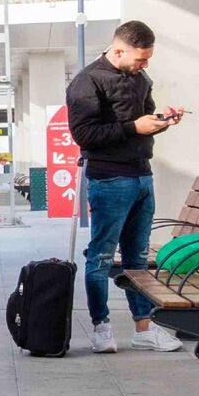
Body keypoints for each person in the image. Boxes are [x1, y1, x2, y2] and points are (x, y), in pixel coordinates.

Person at [67, 21, 188, 353]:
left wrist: (159, 121)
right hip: (109, 179)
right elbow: (85, 136)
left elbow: (141, 125)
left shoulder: (140, 79)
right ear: (118, 49)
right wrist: (134, 126)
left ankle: (144, 328)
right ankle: (101, 326)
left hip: (141, 176)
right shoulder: (87, 81)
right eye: (140, 59)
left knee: (136, 256)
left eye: (148, 60)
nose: (145, 66)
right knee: (102, 255)